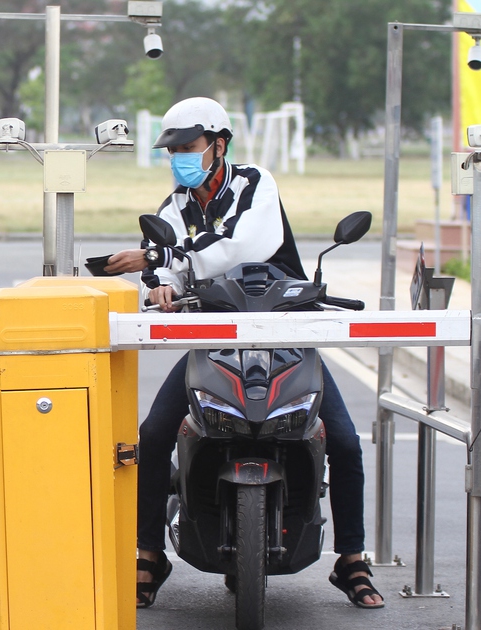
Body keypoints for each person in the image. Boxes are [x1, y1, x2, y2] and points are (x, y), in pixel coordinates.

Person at [104, 97, 384, 610]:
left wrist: (165, 258)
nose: (179, 159)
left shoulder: (256, 183)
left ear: (219, 143)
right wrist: (159, 282)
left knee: (343, 440)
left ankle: (351, 559)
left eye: (188, 148)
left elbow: (244, 246)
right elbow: (163, 271)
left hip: (284, 331)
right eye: (173, 151)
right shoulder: (175, 205)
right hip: (217, 337)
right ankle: (148, 550)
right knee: (152, 433)